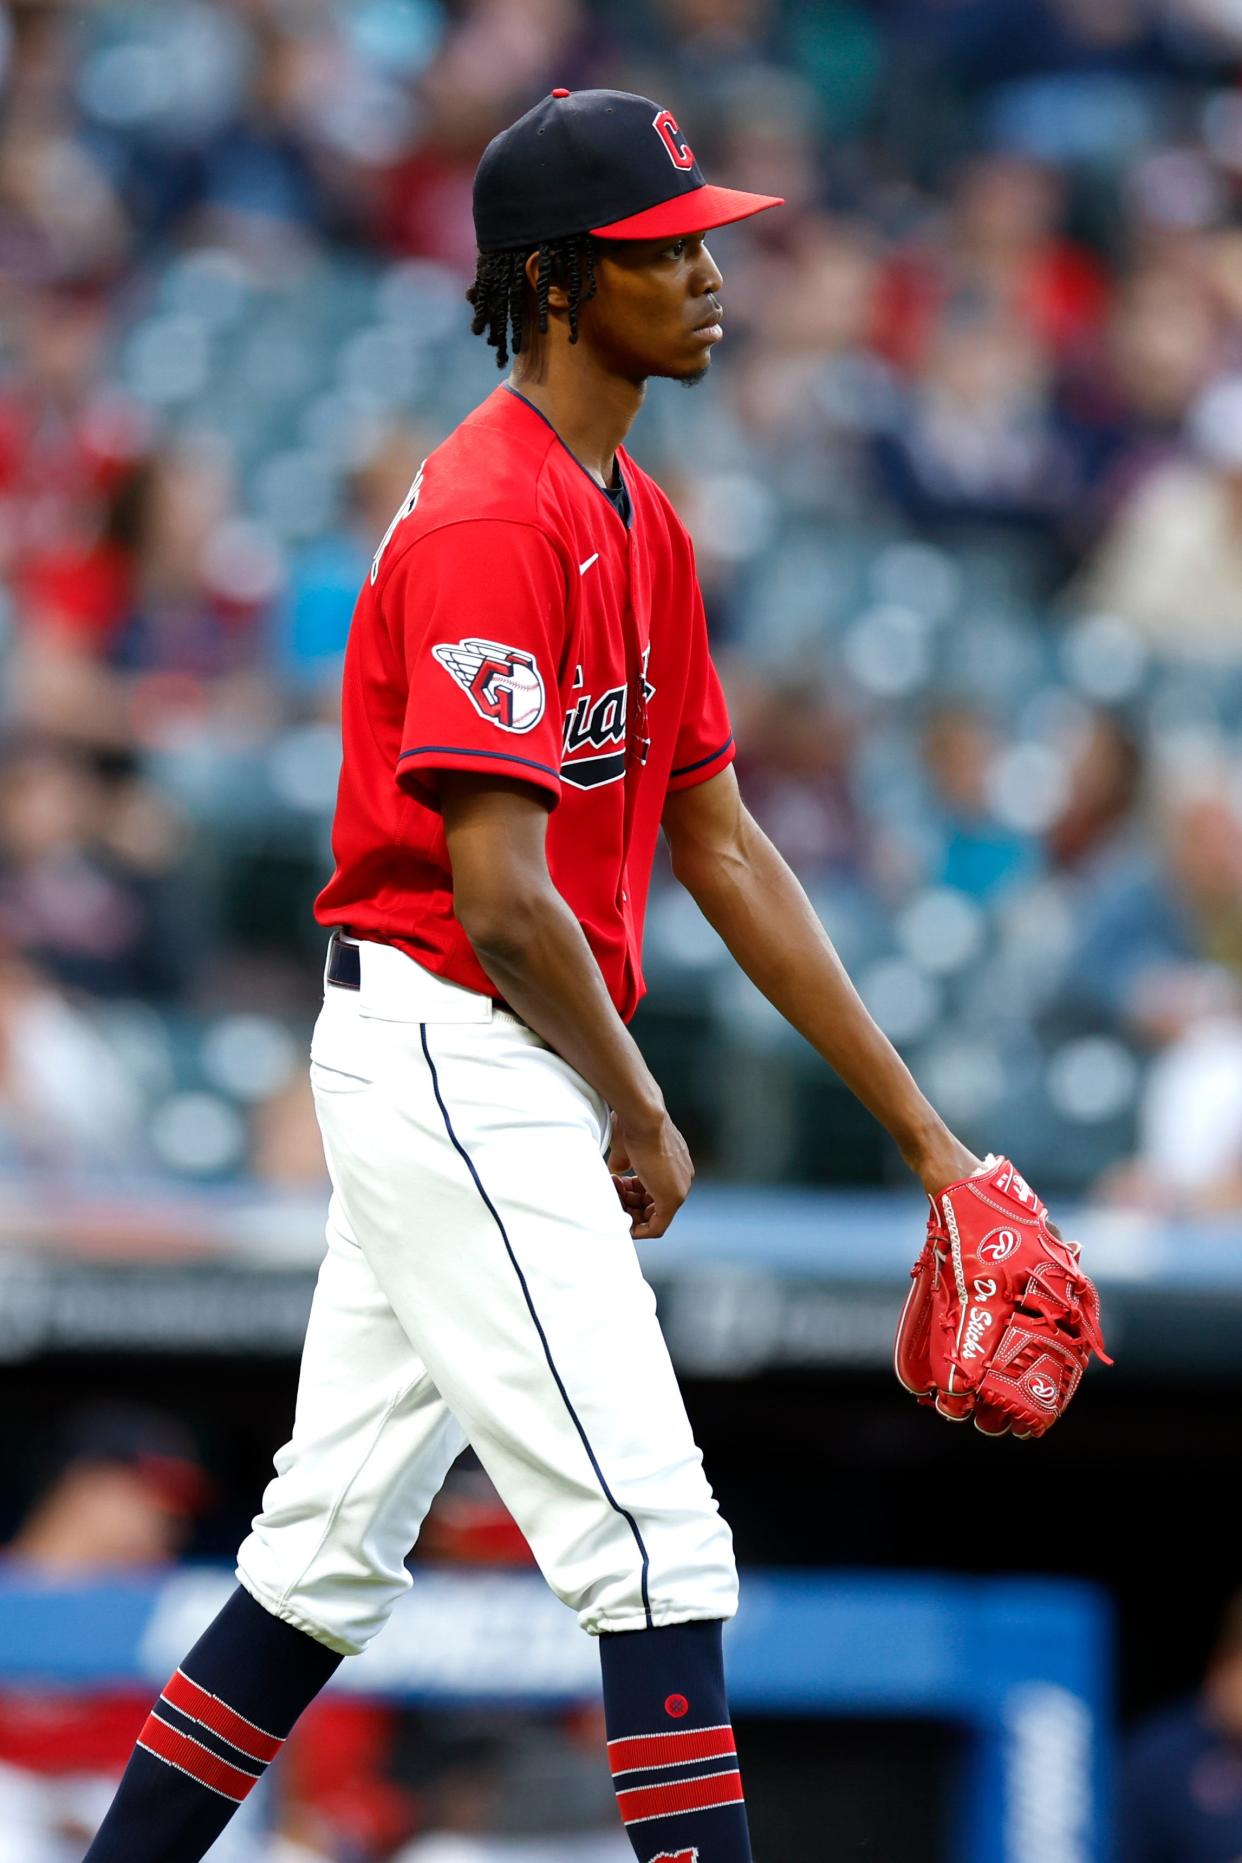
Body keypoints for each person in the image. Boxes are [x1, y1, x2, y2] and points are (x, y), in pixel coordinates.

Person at [85, 87, 977, 1863]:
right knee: (652, 1543)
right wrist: (638, 1107)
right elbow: (499, 894)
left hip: (500, 1056)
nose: (714, 275)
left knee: (322, 1556)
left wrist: (928, 1143)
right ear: (561, 284)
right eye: (669, 250)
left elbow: (720, 845)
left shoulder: (634, 517)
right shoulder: (497, 516)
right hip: (457, 1043)